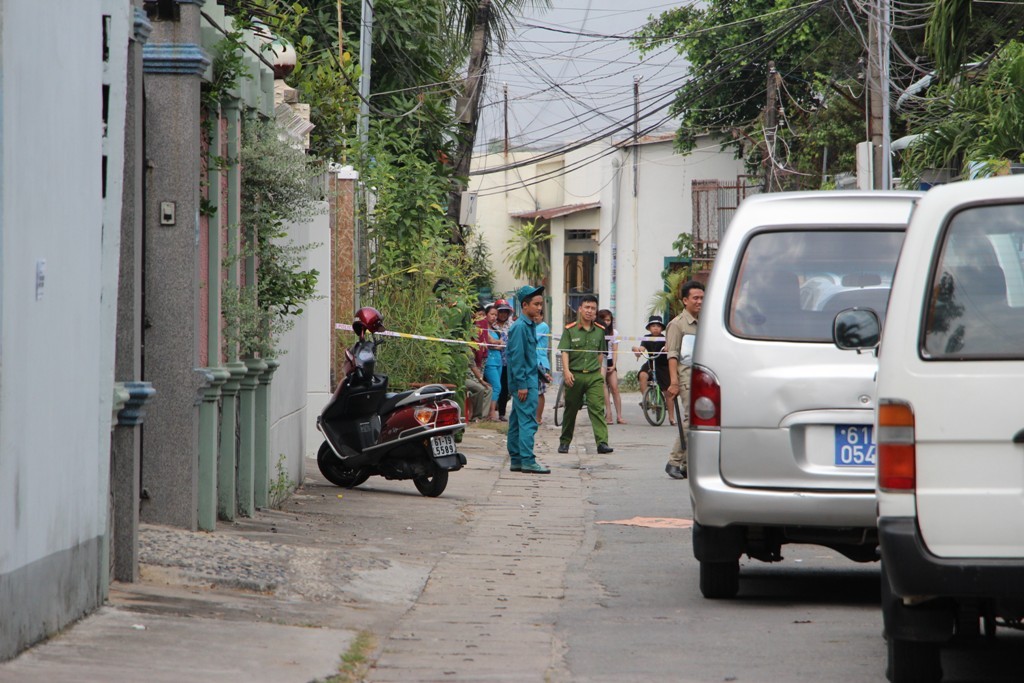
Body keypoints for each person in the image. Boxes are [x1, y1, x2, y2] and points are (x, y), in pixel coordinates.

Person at [557, 295, 614, 455]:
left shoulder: (600, 331)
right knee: (571, 409)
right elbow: (565, 352)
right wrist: (566, 372)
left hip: (593, 376)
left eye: (593, 308)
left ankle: (602, 442)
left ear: (596, 311)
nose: (589, 311)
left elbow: (600, 354)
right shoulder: (570, 329)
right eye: (587, 307)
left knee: (597, 408)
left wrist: (598, 373)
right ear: (580, 309)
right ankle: (565, 441)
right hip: (574, 376)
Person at [506, 285, 550, 473]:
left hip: (529, 379)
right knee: (528, 422)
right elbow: (516, 358)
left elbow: (529, 357)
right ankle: (527, 460)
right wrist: (523, 385)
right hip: (525, 384)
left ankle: (516, 459)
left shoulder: (529, 325)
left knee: (516, 421)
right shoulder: (520, 327)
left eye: (541, 304)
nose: (539, 308)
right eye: (536, 304)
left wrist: (542, 374)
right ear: (525, 305)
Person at [665, 280, 705, 479]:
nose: (699, 302)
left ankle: (688, 464)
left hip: (703, 378)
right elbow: (672, 355)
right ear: (685, 300)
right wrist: (674, 382)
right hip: (685, 378)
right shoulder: (677, 324)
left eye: (702, 298)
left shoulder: (705, 322)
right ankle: (673, 461)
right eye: (695, 298)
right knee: (690, 421)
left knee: (701, 421)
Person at [632, 315, 674, 425]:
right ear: (649, 328)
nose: (655, 328)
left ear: (662, 328)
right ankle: (646, 400)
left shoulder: (664, 338)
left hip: (662, 365)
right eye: (653, 326)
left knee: (667, 392)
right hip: (650, 362)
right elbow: (641, 349)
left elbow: (668, 346)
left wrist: (667, 347)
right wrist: (637, 350)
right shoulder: (646, 337)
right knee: (642, 375)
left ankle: (671, 417)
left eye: (658, 326)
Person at [597, 309, 626, 424]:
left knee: (615, 388)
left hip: (610, 361)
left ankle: (619, 416)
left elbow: (615, 350)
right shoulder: (597, 332)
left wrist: (614, 365)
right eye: (604, 319)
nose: (606, 322)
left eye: (608, 320)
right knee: (603, 386)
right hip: (600, 360)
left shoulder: (614, 333)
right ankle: (608, 414)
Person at [482, 304, 505, 421]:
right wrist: (497, 343)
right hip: (489, 361)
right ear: (486, 315)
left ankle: (490, 412)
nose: (494, 317)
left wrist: (496, 345)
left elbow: (499, 344)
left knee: (496, 387)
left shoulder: (495, 329)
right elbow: (489, 342)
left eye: (496, 315)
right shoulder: (483, 327)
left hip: (498, 361)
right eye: (492, 314)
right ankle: (491, 413)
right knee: (496, 386)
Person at [494, 298, 514, 421]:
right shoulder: (491, 325)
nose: (503, 314)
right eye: (500, 311)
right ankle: (491, 411)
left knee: (506, 388)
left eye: (505, 312)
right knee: (495, 386)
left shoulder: (512, 325)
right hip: (494, 361)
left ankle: (502, 412)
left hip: (507, 362)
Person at [535, 315, 552, 423]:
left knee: (539, 392)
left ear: (541, 316)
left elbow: (532, 339)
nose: (535, 318)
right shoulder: (533, 326)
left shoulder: (543, 326)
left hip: (540, 362)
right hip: (533, 361)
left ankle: (538, 418)